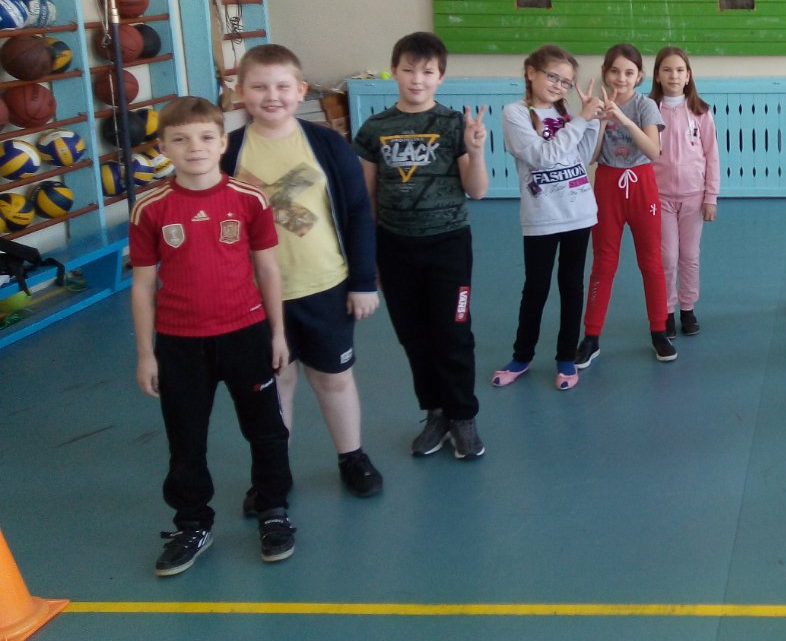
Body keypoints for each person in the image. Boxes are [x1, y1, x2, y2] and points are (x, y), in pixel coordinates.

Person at [130, 96, 295, 576]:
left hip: (245, 334)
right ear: (164, 147)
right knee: (186, 438)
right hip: (180, 343)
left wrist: (278, 333)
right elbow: (142, 286)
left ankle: (273, 510)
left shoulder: (249, 198)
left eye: (206, 137)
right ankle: (192, 524)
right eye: (180, 139)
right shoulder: (150, 207)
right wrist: (145, 354)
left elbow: (268, 269)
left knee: (266, 429)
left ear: (223, 142)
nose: (194, 147)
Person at [223, 43, 384, 509]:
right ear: (240, 92)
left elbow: (358, 211)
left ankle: (352, 457)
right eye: (259, 87)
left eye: (282, 86)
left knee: (334, 378)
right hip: (256, 296)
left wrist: (363, 281)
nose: (271, 96)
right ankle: (274, 472)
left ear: (300, 90)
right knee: (277, 383)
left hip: (324, 286)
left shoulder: (327, 145)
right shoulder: (228, 150)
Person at [354, 32, 490, 460]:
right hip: (395, 247)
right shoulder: (375, 129)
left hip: (448, 244)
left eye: (428, 72)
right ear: (393, 71)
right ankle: (436, 413)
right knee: (414, 336)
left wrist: (475, 151)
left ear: (441, 77)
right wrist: (370, 258)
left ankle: (462, 416)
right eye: (409, 69)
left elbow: (477, 190)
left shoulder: (453, 124)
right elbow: (366, 199)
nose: (417, 79)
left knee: (453, 333)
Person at [496, 44, 604, 391]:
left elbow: (583, 156)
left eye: (566, 82)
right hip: (542, 216)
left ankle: (565, 358)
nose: (559, 86)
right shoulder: (514, 113)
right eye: (553, 77)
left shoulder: (567, 115)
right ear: (531, 72)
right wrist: (582, 119)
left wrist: (593, 121)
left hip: (579, 213)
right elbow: (543, 156)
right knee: (536, 288)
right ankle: (522, 356)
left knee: (572, 287)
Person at [575, 42, 674, 367]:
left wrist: (623, 118)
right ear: (605, 73)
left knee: (651, 261)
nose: (621, 78)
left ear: (639, 76)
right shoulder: (594, 106)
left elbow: (653, 150)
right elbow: (591, 156)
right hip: (607, 186)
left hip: (642, 187)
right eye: (615, 71)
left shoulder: (646, 105)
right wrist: (601, 120)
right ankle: (591, 336)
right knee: (603, 263)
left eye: (629, 72)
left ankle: (659, 331)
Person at [650, 45, 720, 337]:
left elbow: (711, 155)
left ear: (688, 75)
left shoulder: (700, 111)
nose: (674, 75)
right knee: (667, 257)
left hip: (693, 196)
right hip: (660, 197)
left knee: (689, 255)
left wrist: (710, 197)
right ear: (657, 75)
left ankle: (688, 308)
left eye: (680, 70)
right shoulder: (649, 110)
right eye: (667, 70)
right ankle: (666, 310)